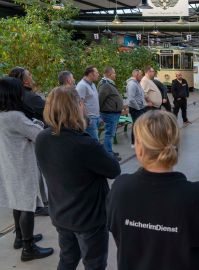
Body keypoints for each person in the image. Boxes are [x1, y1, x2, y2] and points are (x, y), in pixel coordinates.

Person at [107, 110, 199, 270]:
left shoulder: (120, 189)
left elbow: (116, 230)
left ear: (140, 148)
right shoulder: (198, 196)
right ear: (176, 145)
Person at [35, 86, 121, 270]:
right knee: (94, 264)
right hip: (88, 218)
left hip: (61, 213)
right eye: (81, 102)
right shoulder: (84, 143)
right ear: (76, 107)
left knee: (67, 259)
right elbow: (114, 169)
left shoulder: (42, 138)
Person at [0, 77, 53, 261]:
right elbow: (38, 135)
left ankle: (19, 238)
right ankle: (28, 247)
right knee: (27, 207)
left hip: (10, 165)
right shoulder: (14, 116)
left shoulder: (3, 114)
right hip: (21, 166)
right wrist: (38, 125)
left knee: (18, 203)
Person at [98, 67, 123, 161]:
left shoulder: (109, 83)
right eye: (114, 73)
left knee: (111, 133)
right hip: (109, 113)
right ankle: (108, 154)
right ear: (109, 74)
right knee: (109, 134)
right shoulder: (105, 84)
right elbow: (100, 99)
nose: (115, 74)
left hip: (113, 113)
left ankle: (109, 151)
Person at [76, 66, 101, 140]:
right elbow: (80, 103)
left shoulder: (92, 84)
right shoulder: (81, 85)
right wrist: (86, 118)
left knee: (93, 142)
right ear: (90, 74)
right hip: (90, 118)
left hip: (96, 117)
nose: (98, 74)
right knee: (94, 142)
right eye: (96, 72)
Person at [126, 69, 146, 147]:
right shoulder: (132, 84)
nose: (142, 76)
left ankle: (139, 141)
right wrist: (138, 108)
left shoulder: (137, 83)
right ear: (136, 75)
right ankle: (134, 143)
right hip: (136, 109)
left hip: (140, 108)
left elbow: (140, 94)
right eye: (141, 75)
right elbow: (131, 99)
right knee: (136, 125)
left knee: (140, 125)